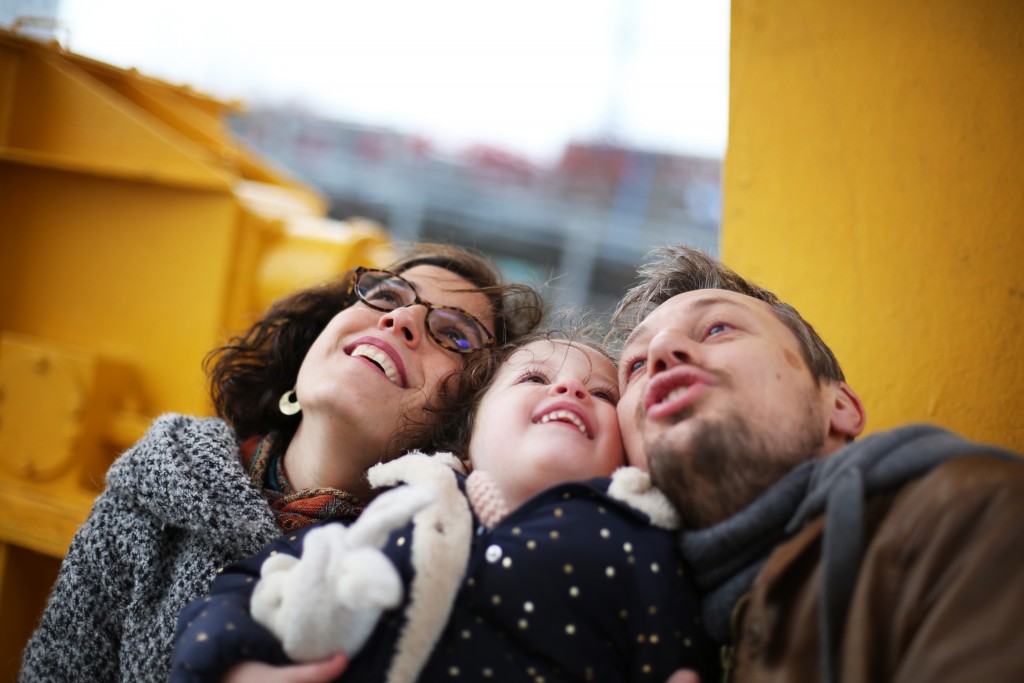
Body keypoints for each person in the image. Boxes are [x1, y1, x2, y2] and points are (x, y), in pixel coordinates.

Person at [18, 243, 544, 683]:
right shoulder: (154, 484)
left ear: (465, 423)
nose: (401, 317)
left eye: (453, 335)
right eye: (386, 294)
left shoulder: (451, 569)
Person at [170, 331, 720, 683]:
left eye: (602, 395)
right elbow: (236, 589)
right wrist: (234, 669)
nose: (571, 392)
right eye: (535, 378)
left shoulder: (636, 542)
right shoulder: (391, 513)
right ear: (466, 440)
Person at [610, 245, 1024, 683]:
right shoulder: (627, 628)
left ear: (840, 406)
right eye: (636, 365)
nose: (662, 351)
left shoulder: (969, 518)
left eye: (716, 328)